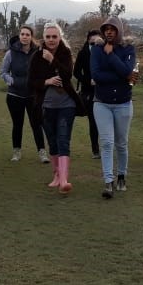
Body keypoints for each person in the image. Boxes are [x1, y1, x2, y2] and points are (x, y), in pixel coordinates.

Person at [29, 23, 87, 194]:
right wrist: (46, 81)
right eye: (48, 37)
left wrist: (52, 60)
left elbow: (68, 75)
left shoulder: (65, 53)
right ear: (43, 38)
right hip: (46, 106)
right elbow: (31, 82)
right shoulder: (36, 56)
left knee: (63, 139)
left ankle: (64, 180)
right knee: (53, 141)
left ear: (60, 37)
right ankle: (56, 175)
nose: (51, 40)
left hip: (66, 105)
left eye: (54, 36)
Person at [90, 16, 137, 199]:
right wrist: (122, 76)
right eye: (106, 28)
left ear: (119, 30)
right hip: (102, 102)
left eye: (112, 28)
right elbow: (96, 75)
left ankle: (121, 176)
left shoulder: (128, 48)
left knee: (121, 143)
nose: (109, 31)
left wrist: (111, 55)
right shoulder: (96, 49)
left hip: (124, 102)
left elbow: (128, 71)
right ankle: (108, 181)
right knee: (107, 142)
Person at [0, 25, 48, 164]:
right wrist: (11, 81)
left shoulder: (38, 52)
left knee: (36, 124)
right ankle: (16, 152)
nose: (24, 36)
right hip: (15, 96)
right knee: (17, 125)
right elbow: (3, 72)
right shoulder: (11, 53)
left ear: (31, 36)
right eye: (22, 34)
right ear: (19, 36)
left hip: (33, 95)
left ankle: (42, 153)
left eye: (27, 34)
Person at [73, 28, 102, 158]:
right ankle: (95, 150)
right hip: (89, 92)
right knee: (93, 121)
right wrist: (87, 80)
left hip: (104, 90)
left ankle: (108, 147)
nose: (95, 43)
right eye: (92, 41)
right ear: (88, 40)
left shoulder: (106, 52)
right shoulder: (83, 53)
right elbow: (76, 72)